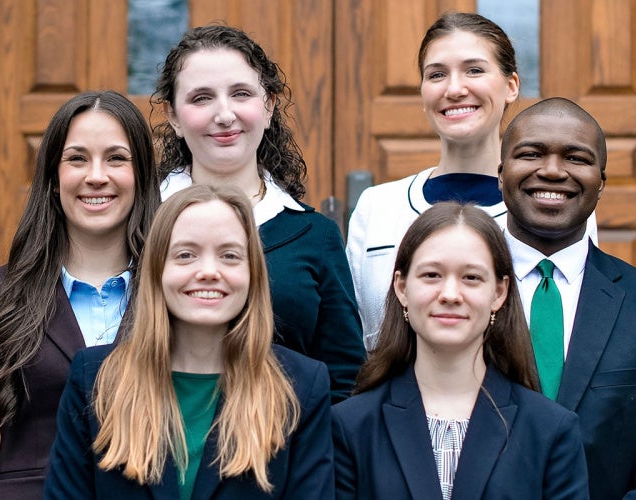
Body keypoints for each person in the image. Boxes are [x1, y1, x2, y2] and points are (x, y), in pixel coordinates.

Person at [0, 91, 161, 498]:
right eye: (77, 158)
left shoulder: (175, 294)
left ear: (140, 175)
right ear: (54, 180)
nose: (96, 175)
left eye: (116, 158)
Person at [44, 185, 334, 499]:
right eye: (185, 255)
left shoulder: (301, 388)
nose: (209, 271)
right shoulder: (95, 380)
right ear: (157, 270)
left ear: (253, 273)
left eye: (229, 256)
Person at [346, 12, 597, 350]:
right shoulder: (377, 207)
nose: (454, 88)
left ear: (511, 86)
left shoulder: (553, 202)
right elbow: (355, 339)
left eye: (474, 70)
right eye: (437, 74)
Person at [498, 97, 636, 499]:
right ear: (500, 173)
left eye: (576, 157)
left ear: (601, 182)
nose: (553, 170)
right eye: (531, 153)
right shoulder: (454, 295)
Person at [153, 24, 365, 402]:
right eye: (201, 98)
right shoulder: (140, 221)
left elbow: (344, 379)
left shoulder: (315, 236)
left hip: (288, 454)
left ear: (268, 106)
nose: (224, 114)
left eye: (241, 94)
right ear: (173, 117)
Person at [332, 202, 590, 500]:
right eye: (431, 275)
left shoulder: (550, 430)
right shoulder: (350, 427)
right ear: (402, 288)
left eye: (471, 278)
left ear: (499, 292)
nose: (451, 295)